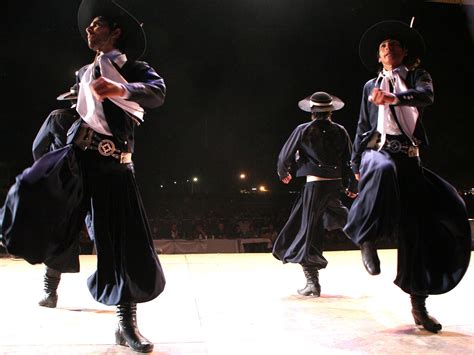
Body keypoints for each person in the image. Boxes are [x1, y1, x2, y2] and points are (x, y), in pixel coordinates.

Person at [1, 0, 166, 352]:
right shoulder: (83, 74)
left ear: (115, 30)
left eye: (96, 25)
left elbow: (157, 93)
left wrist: (121, 89)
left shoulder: (134, 69)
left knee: (121, 245)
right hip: (77, 162)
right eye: (89, 27)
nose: (88, 30)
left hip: (113, 167)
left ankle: (126, 324)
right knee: (45, 206)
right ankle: (45, 276)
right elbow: (60, 130)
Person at [344, 20, 471, 333]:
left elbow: (425, 96)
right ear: (378, 56)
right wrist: (356, 160)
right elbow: (363, 125)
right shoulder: (368, 87)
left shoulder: (417, 76)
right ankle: (366, 238)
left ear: (404, 52)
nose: (389, 48)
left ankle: (419, 305)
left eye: (395, 44)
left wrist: (395, 98)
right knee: (381, 168)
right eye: (383, 45)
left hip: (409, 157)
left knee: (420, 230)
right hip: (378, 150)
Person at [272, 91, 357, 297]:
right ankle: (364, 236)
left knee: (305, 233)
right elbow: (351, 160)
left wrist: (284, 172)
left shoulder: (303, 130)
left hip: (314, 187)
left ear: (312, 111)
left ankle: (312, 282)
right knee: (328, 223)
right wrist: (352, 185)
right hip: (334, 185)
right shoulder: (341, 131)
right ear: (330, 112)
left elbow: (285, 155)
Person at [32, 84, 89, 308]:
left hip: (64, 185)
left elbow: (38, 148)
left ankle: (50, 293)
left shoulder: (57, 117)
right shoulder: (98, 119)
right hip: (94, 181)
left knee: (60, 236)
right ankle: (118, 293)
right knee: (104, 234)